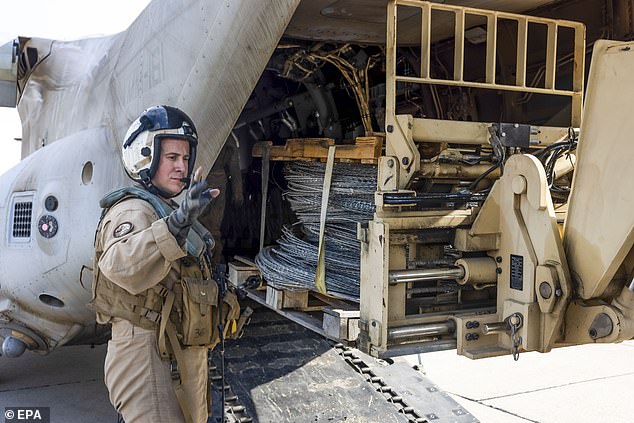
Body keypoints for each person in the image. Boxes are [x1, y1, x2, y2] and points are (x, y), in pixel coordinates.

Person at [89, 105, 239, 423]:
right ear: (146, 157)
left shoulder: (164, 209)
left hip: (174, 351)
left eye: (185, 159)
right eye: (172, 158)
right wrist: (177, 224)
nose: (181, 167)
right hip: (148, 352)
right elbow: (119, 264)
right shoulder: (132, 210)